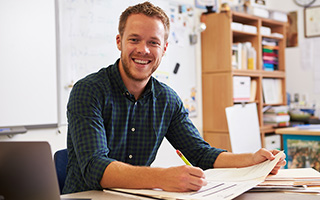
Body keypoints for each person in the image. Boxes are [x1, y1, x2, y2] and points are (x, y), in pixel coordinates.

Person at [63, 1, 286, 194]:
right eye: (134, 40)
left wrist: (251, 159)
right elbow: (95, 167)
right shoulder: (88, 90)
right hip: (86, 196)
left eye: (153, 42)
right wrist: (161, 177)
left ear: (164, 48)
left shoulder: (167, 100)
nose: (144, 50)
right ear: (119, 42)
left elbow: (200, 154)